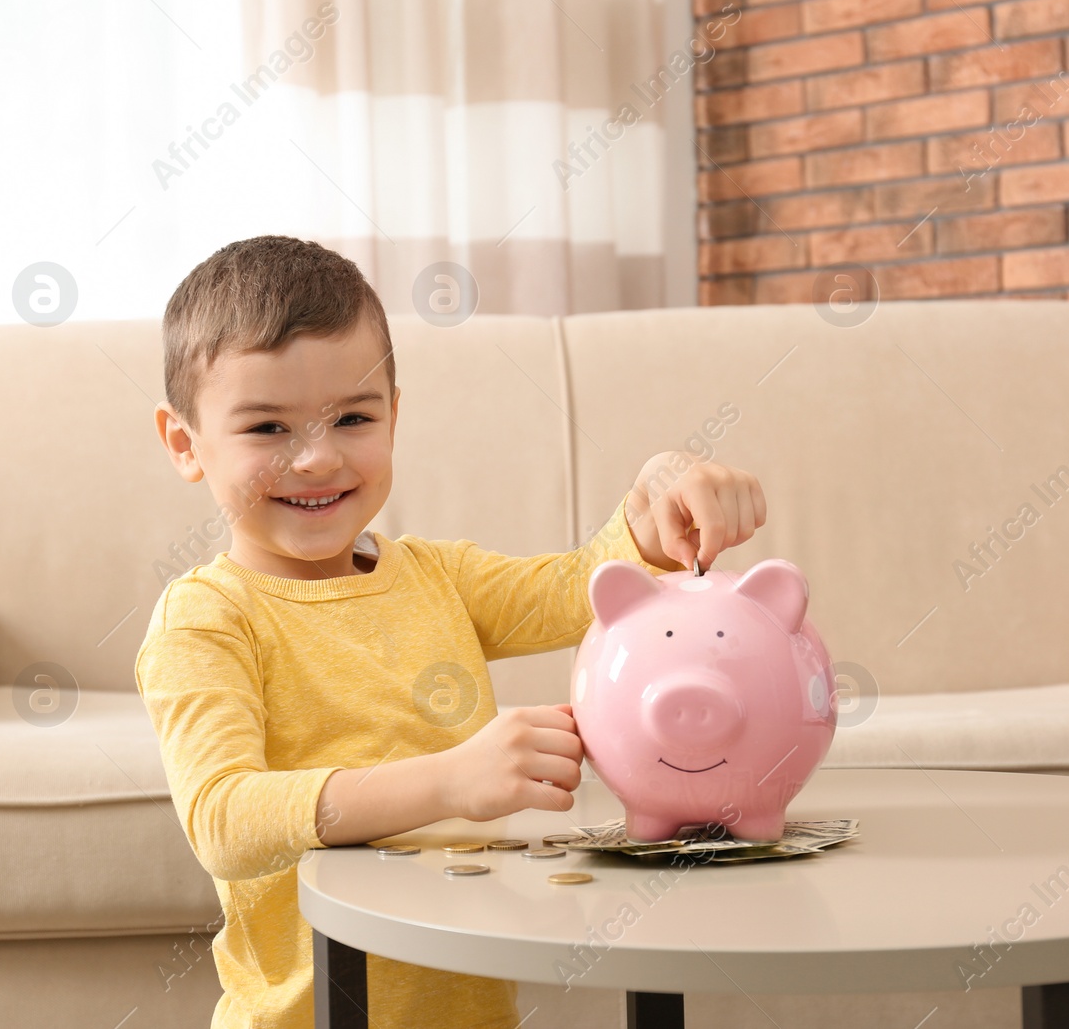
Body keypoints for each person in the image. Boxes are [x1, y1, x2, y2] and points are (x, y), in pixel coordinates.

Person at [136, 235, 767, 1028]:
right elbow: (225, 819)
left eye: (353, 417)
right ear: (185, 444)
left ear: (394, 415)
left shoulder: (436, 576)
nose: (317, 457)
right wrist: (449, 781)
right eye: (268, 429)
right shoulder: (205, 618)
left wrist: (654, 498)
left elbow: (579, 588)